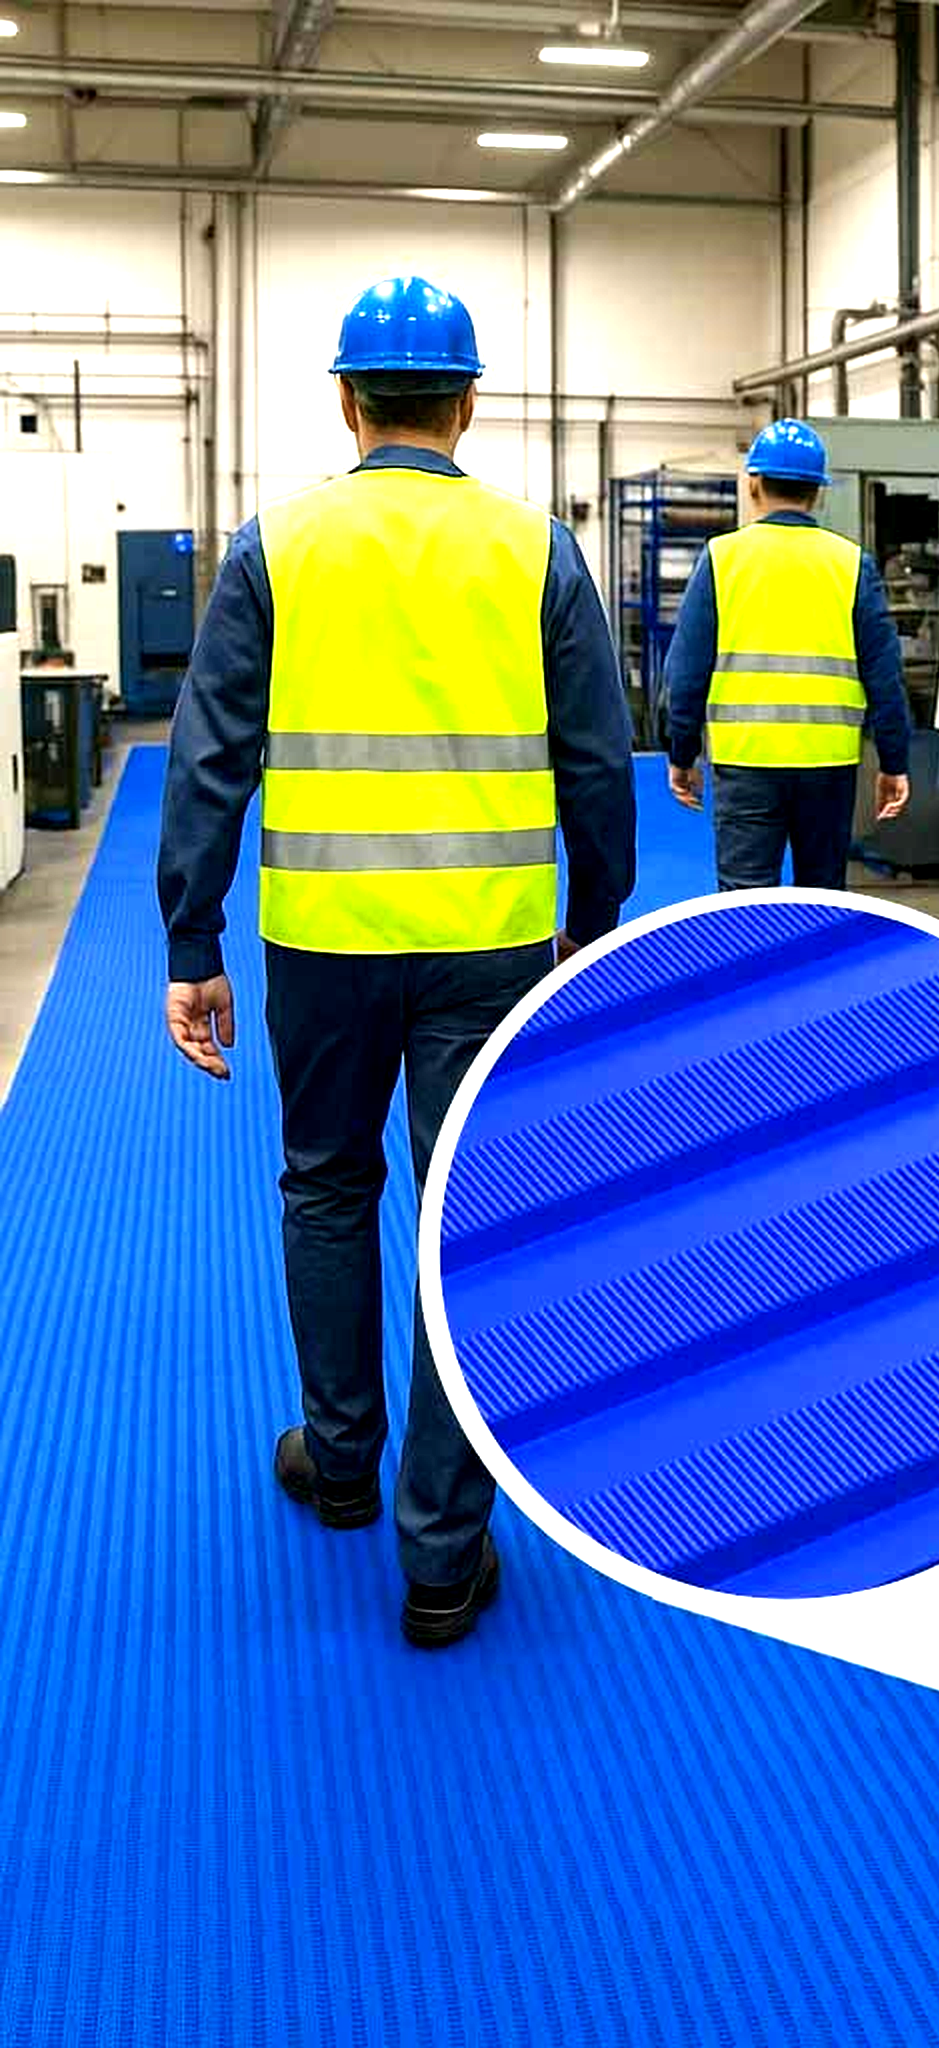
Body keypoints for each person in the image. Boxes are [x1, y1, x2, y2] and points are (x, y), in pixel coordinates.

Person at [156, 274, 636, 1649]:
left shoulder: (276, 544)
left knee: (325, 1187)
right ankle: (444, 1547)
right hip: (490, 946)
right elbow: (597, 765)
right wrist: (592, 930)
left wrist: (193, 936)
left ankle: (344, 1461)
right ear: (469, 403)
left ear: (349, 401)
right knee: (470, 1220)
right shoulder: (537, 550)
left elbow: (207, 758)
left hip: (322, 937)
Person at [663, 419, 913, 889]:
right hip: (829, 769)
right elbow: (885, 677)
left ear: (753, 483)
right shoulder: (850, 564)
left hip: (746, 763)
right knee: (823, 902)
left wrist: (682, 752)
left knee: (744, 903)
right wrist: (894, 761)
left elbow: (686, 676)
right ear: (818, 492)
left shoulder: (722, 558)